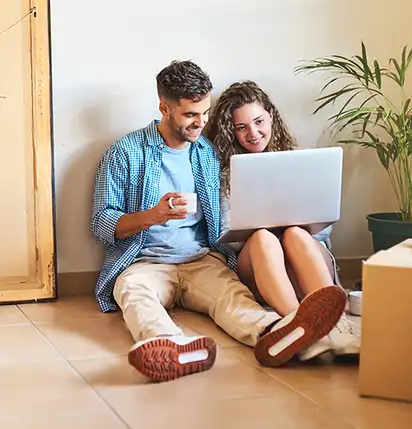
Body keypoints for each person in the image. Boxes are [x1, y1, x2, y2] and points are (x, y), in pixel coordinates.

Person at [90, 60, 347, 383]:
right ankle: (169, 345)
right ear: (164, 108)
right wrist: (152, 216)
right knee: (133, 292)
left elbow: (224, 222)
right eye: (190, 115)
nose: (201, 123)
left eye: (205, 113)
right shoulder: (125, 152)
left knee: (233, 298)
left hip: (200, 260)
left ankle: (279, 332)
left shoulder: (207, 154)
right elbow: (101, 223)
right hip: (146, 261)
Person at [203, 80, 360, 361]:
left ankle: (338, 325)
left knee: (295, 235)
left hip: (303, 258)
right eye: (241, 127)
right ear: (232, 131)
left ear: (271, 116)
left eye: (259, 121)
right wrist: (262, 226)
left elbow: (324, 227)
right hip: (259, 264)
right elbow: (221, 234)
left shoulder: (298, 160)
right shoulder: (224, 172)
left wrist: (293, 225)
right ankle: (296, 325)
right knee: (264, 237)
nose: (253, 133)